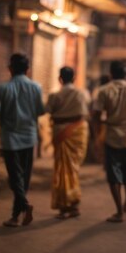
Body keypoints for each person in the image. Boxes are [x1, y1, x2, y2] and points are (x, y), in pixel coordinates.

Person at [0, 53, 44, 227]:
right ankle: (17, 214)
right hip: (29, 137)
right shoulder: (36, 87)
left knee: (15, 178)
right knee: (23, 178)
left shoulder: (1, 88)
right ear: (28, 70)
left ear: (10, 69)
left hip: (10, 139)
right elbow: (40, 112)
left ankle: (21, 211)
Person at [93, 61, 126, 223]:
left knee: (113, 174)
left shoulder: (103, 91)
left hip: (112, 136)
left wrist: (97, 135)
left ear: (110, 74)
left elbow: (96, 115)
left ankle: (118, 211)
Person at [46, 67, 89, 219]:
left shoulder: (54, 95)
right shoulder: (81, 94)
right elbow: (84, 115)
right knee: (73, 169)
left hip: (60, 133)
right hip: (77, 133)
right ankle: (74, 204)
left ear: (60, 79)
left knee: (62, 170)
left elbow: (48, 110)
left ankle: (64, 205)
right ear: (75, 78)